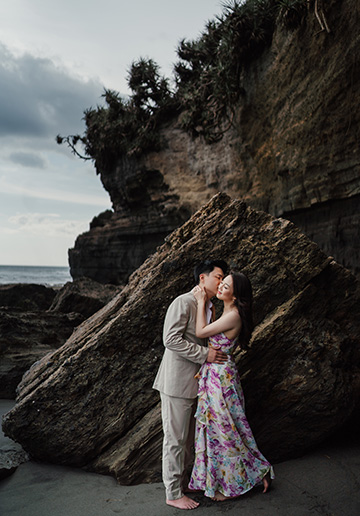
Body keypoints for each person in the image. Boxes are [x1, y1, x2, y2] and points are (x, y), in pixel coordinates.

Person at [188, 270, 275, 501]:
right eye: (221, 283)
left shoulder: (234, 315)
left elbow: (200, 332)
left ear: (235, 296)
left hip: (221, 379)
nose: (220, 288)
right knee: (220, 430)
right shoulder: (226, 310)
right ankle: (224, 480)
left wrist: (199, 301)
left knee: (226, 430)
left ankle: (249, 476)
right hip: (214, 375)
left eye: (225, 287)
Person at [153, 259, 229, 510]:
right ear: (202, 278)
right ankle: (173, 493)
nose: (220, 281)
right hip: (176, 382)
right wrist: (204, 354)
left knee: (190, 442)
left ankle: (185, 484)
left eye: (223, 278)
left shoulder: (209, 308)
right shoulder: (183, 302)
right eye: (217, 276)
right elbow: (170, 339)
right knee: (175, 439)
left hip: (199, 385)